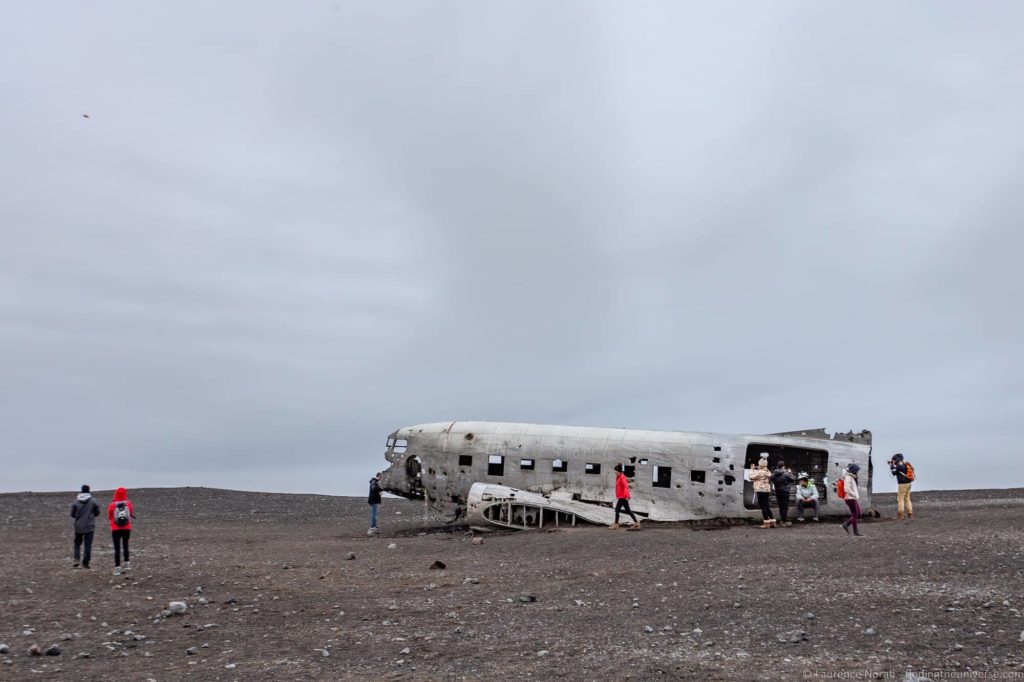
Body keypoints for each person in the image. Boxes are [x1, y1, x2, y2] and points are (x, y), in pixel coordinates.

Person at [70, 484, 100, 569]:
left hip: (78, 526)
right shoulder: (93, 501)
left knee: (77, 544)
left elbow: (72, 514)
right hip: (89, 526)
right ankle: (85, 562)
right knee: (88, 545)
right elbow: (97, 512)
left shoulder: (76, 502)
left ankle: (76, 559)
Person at [107, 487, 135, 576]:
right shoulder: (128, 503)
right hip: (127, 528)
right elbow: (130, 514)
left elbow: (109, 516)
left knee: (117, 548)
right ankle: (127, 564)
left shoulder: (112, 505)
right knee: (125, 545)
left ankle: (117, 568)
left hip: (115, 528)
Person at [610, 464, 640, 530]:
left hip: (623, 497)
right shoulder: (619, 477)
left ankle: (616, 524)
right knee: (628, 510)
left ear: (619, 471)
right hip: (622, 496)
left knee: (617, 509)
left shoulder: (622, 477)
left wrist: (626, 496)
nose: (615, 473)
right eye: (615, 471)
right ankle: (636, 523)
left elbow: (626, 486)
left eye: (616, 471)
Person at [749, 457, 775, 528]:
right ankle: (772, 522)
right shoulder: (767, 471)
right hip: (766, 490)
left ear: (760, 465)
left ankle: (766, 523)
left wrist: (752, 469)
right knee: (767, 506)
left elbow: (751, 477)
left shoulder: (760, 472)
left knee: (763, 507)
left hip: (760, 490)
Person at [889, 453, 913, 520]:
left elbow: (894, 473)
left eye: (894, 460)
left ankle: (900, 514)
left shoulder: (899, 465)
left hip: (902, 484)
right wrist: (893, 465)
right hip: (909, 483)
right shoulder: (905, 463)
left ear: (896, 459)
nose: (893, 461)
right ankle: (910, 513)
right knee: (907, 498)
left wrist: (891, 466)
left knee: (900, 499)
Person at [841, 464, 863, 536]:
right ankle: (855, 531)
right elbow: (846, 489)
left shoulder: (851, 476)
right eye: (857, 471)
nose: (857, 472)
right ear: (853, 471)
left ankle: (846, 524)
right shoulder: (848, 477)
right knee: (855, 515)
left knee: (858, 514)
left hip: (852, 498)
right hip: (850, 498)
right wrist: (855, 494)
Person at [771, 462, 795, 526]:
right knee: (785, 507)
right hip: (785, 492)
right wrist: (790, 472)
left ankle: (783, 520)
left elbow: (772, 479)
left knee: (781, 507)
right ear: (783, 466)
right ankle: (784, 522)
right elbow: (792, 479)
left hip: (778, 492)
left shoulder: (774, 475)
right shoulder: (786, 474)